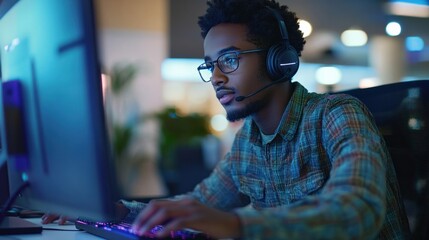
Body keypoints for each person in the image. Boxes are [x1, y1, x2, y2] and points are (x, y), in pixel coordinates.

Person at [44, 0, 411, 239]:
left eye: (230, 60)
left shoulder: (336, 115)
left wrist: (235, 225)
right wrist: (118, 209)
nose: (216, 77)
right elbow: (200, 202)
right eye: (210, 65)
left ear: (278, 62)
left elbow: (358, 209)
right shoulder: (248, 141)